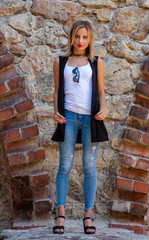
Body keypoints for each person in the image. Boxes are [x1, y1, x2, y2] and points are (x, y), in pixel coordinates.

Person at [51, 20, 108, 234]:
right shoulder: (61, 61)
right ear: (71, 38)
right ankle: (60, 214)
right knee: (64, 165)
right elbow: (57, 91)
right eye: (77, 36)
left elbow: (101, 92)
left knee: (89, 167)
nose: (80, 41)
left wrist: (104, 109)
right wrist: (54, 111)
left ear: (90, 38)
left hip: (90, 119)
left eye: (85, 37)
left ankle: (88, 215)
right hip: (69, 118)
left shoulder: (96, 62)